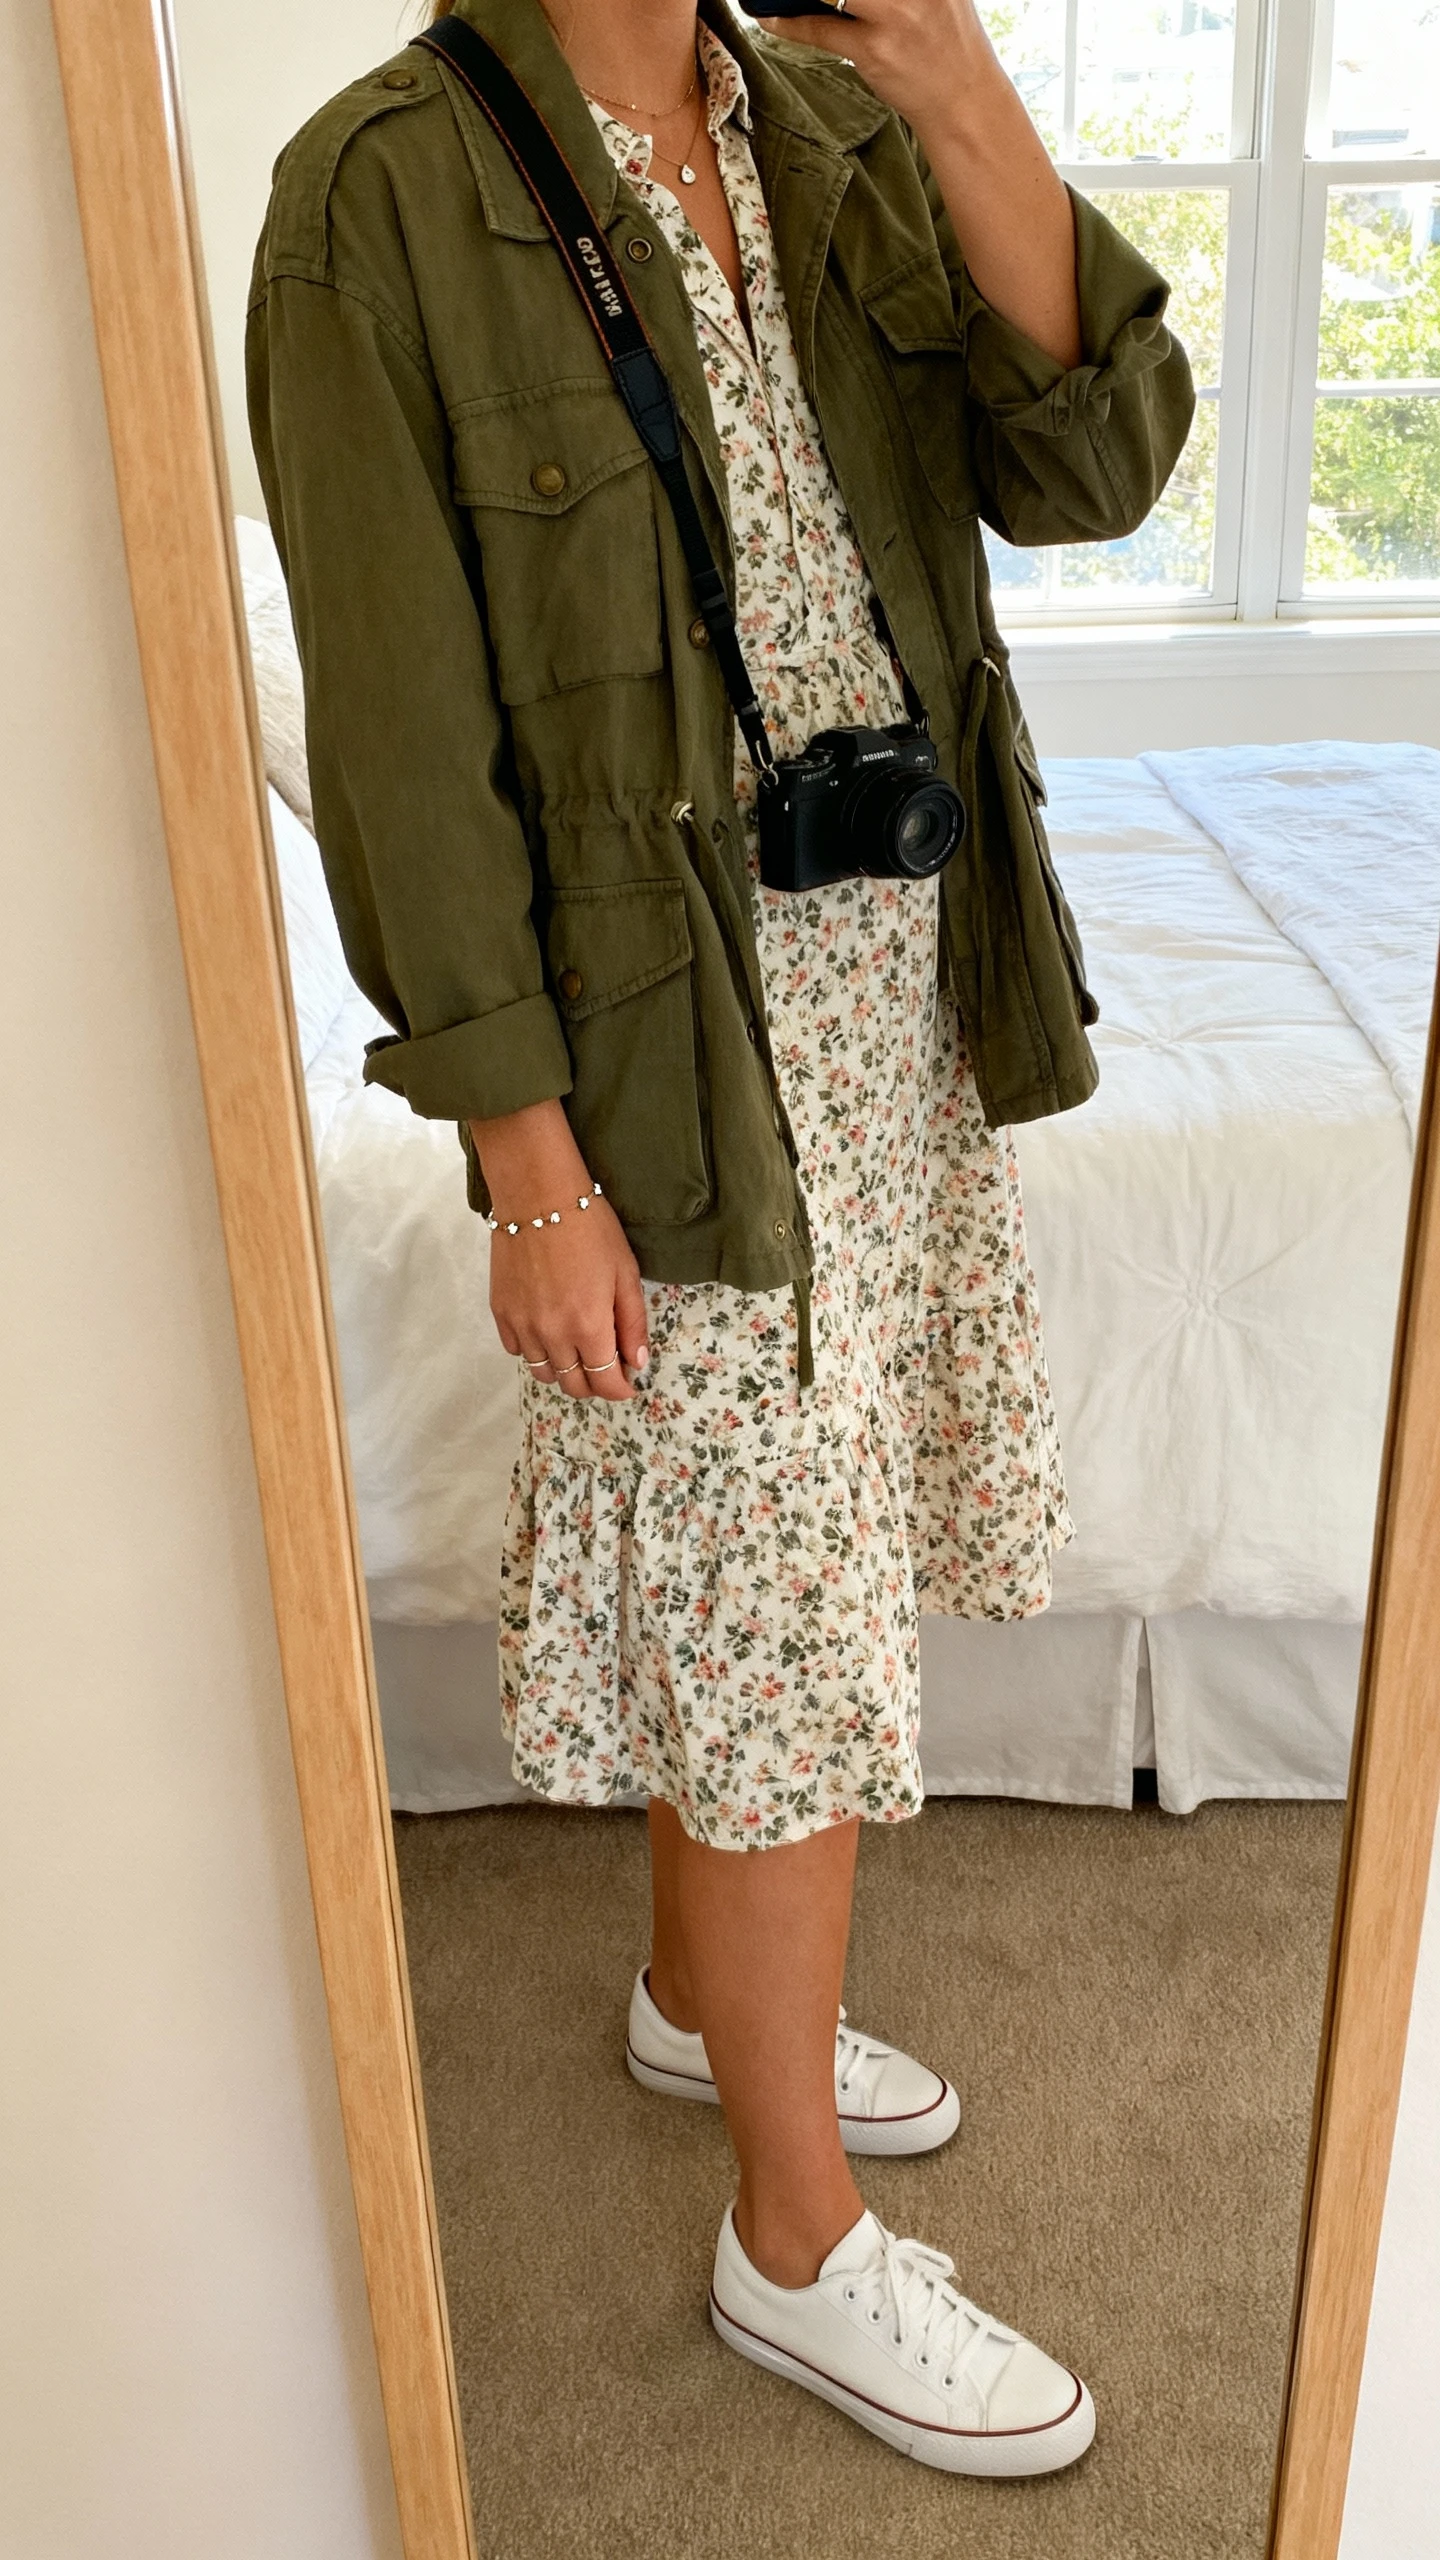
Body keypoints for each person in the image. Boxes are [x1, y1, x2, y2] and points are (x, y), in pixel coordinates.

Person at [248, 0, 1192, 2477]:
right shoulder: (380, 192)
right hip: (665, 1039)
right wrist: (526, 1159)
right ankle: (789, 2244)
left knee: (810, 1530)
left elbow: (1092, 457)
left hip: (900, 979)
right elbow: (397, 727)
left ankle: (698, 1990)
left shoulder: (841, 117)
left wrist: (965, 77)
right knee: (769, 1577)